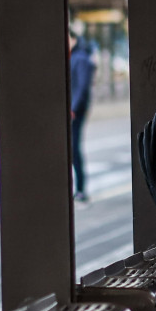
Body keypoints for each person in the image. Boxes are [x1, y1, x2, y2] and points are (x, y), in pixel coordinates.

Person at [69, 31, 96, 203]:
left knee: (73, 148)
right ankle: (77, 188)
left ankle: (80, 188)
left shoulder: (80, 58)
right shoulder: (73, 56)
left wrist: (73, 108)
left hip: (75, 112)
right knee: (71, 148)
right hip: (71, 109)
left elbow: (82, 87)